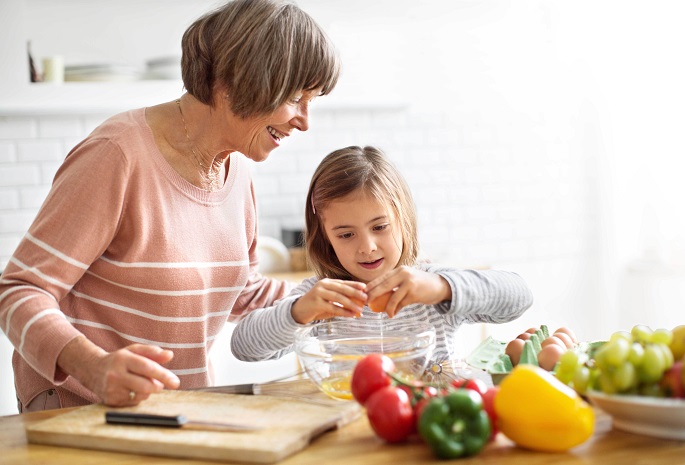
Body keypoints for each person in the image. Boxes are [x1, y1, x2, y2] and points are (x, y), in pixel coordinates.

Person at [0, 0, 341, 412]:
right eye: (294, 97)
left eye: (312, 100)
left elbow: (241, 292)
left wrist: (329, 299)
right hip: (81, 407)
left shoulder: (236, 169)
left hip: (176, 410)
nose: (304, 121)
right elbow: (20, 290)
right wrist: (91, 366)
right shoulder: (117, 154)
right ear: (234, 82)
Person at [231, 146, 534, 369]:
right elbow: (244, 347)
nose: (368, 247)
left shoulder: (430, 286)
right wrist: (298, 312)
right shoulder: (322, 297)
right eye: (346, 234)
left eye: (380, 227)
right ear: (325, 239)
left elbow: (519, 296)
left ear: (403, 219)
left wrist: (442, 287)